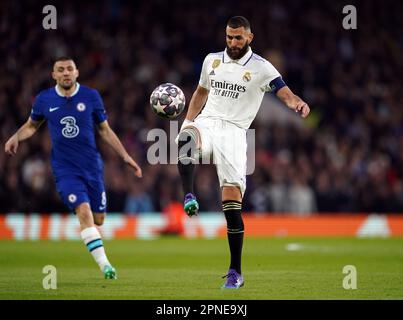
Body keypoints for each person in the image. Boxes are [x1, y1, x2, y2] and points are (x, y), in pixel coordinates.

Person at [176, 16, 310, 289]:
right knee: (186, 138)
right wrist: (189, 121)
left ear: (250, 37)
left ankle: (235, 271)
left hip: (236, 134)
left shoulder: (262, 67)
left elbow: (282, 91)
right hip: (209, 123)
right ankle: (189, 194)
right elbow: (201, 92)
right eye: (229, 37)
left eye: (238, 38)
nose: (233, 42)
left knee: (232, 205)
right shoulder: (211, 60)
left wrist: (295, 102)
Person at [4, 57, 142, 279]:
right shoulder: (44, 99)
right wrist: (16, 136)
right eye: (61, 70)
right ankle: (106, 266)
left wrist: (125, 155)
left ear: (77, 72)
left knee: (99, 219)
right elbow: (31, 126)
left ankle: (93, 239)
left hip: (92, 167)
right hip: (65, 169)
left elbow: (105, 130)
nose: (66, 73)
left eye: (69, 69)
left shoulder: (91, 96)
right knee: (84, 212)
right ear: (54, 75)